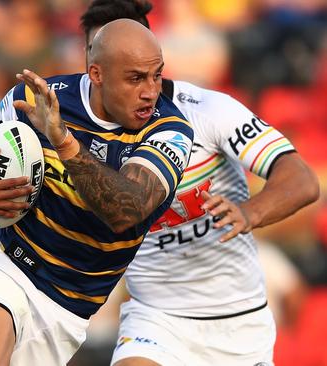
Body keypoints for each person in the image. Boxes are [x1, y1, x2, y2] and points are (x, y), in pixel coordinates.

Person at [0, 19, 194, 365]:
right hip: (5, 265)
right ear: (97, 74)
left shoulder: (169, 130)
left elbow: (125, 211)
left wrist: (62, 140)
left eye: (156, 75)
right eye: (135, 78)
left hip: (70, 308)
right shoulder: (34, 99)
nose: (150, 91)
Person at [79, 1, 320, 365]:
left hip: (238, 322)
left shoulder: (208, 110)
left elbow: (301, 178)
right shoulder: (71, 132)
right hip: (154, 319)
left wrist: (249, 212)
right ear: (92, 66)